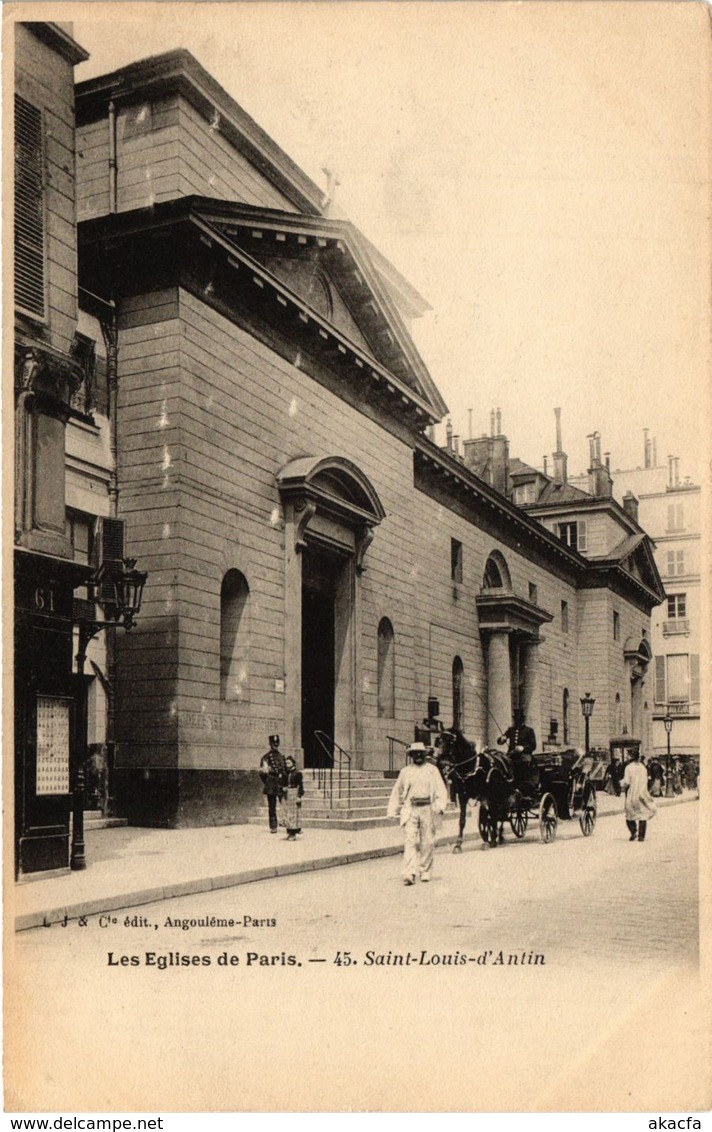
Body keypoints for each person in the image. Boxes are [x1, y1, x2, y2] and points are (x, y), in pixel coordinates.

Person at [387, 742, 448, 885]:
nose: (418, 756)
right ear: (411, 756)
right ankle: (409, 873)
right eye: (415, 754)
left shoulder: (432, 770)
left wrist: (440, 806)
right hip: (411, 809)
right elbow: (396, 791)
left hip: (428, 808)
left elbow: (441, 789)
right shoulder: (406, 772)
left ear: (425, 755)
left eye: (421, 753)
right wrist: (392, 810)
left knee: (427, 842)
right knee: (410, 840)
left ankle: (425, 871)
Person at [622, 747, 656, 841]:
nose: (626, 757)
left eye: (628, 755)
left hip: (632, 792)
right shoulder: (643, 767)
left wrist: (621, 783)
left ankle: (633, 832)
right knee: (643, 814)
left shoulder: (628, 767)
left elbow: (627, 781)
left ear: (631, 756)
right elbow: (646, 780)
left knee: (629, 813)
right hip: (642, 792)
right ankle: (641, 836)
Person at [497, 710, 537, 787]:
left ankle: (523, 784)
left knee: (523, 764)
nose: (517, 722)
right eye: (516, 720)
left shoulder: (529, 730)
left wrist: (523, 748)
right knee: (502, 762)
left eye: (518, 720)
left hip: (524, 755)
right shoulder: (511, 730)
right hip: (511, 755)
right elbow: (500, 741)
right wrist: (502, 739)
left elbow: (533, 745)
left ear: (522, 720)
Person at [259, 734, 288, 834]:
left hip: (280, 783)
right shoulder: (265, 758)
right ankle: (273, 826)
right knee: (272, 806)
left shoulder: (281, 756)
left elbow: (284, 771)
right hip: (271, 783)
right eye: (273, 743)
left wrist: (284, 784)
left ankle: (286, 822)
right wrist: (268, 782)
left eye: (277, 743)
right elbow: (262, 773)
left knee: (284, 804)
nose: (275, 745)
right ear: (270, 744)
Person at [279, 755, 305, 840]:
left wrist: (299, 796)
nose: (287, 764)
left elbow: (300, 786)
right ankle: (289, 832)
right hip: (287, 794)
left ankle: (293, 833)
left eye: (288, 763)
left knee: (293, 814)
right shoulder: (286, 773)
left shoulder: (297, 773)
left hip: (294, 793)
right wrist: (283, 787)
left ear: (293, 763)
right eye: (286, 763)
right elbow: (283, 783)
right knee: (287, 813)